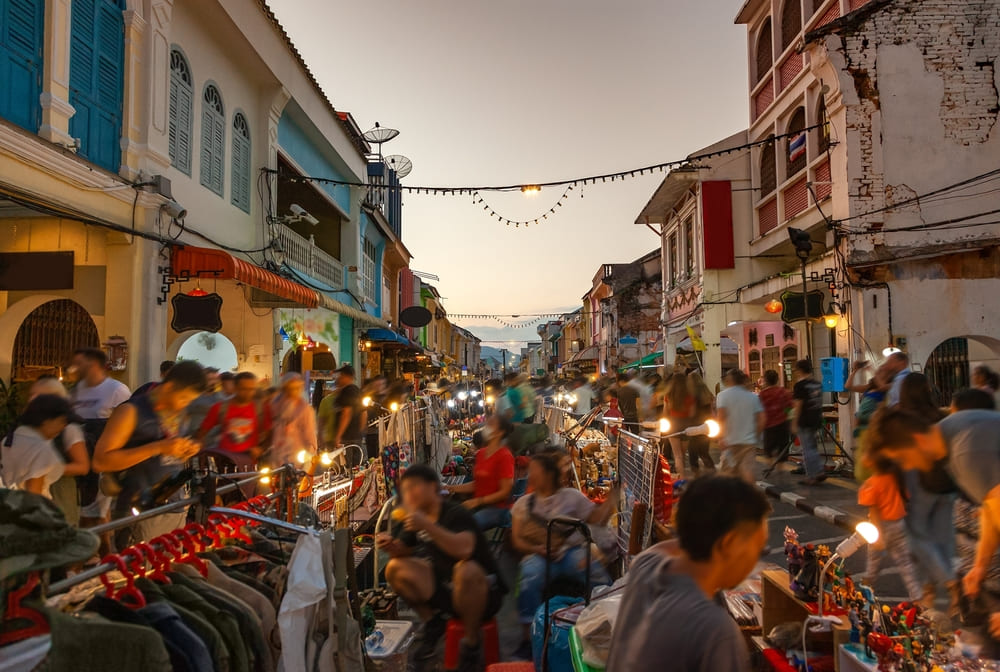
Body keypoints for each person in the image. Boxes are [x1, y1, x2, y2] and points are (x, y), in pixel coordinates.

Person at [606, 476, 770, 672]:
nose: (755, 562)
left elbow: (671, 545)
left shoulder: (646, 566)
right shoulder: (715, 631)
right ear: (728, 544)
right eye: (758, 549)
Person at [865, 403, 1000, 626]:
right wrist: (980, 567)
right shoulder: (953, 433)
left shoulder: (965, 451)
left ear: (917, 440)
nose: (907, 466)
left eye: (902, 458)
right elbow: (989, 508)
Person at [378, 464, 506, 672]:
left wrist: (427, 526)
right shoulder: (416, 517)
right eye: (405, 489)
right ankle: (433, 622)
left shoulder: (455, 513)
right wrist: (391, 546)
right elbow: (404, 550)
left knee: (467, 570)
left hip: (483, 594)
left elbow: (464, 550)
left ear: (432, 488)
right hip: (448, 590)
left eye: (414, 487)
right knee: (394, 568)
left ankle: (471, 644)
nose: (408, 495)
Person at [92, 361, 207, 546]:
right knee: (143, 570)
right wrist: (157, 447)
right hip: (139, 507)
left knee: (170, 567)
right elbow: (100, 461)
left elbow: (169, 451)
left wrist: (185, 450)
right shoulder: (130, 412)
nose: (185, 405)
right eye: (184, 398)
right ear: (169, 387)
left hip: (175, 504)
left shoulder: (180, 414)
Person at [511, 451, 613, 656]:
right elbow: (517, 540)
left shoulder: (572, 497)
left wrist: (615, 496)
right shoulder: (523, 504)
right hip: (538, 556)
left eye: (535, 471)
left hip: (572, 554)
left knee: (599, 578)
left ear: (548, 474)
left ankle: (606, 627)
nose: (530, 476)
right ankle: (528, 636)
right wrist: (536, 549)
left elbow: (598, 519)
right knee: (527, 581)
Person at [896, 373, 955, 607]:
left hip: (919, 486)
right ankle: (929, 591)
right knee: (939, 540)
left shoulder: (902, 419)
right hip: (945, 485)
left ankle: (945, 585)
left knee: (916, 540)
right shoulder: (940, 417)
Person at [26, 377, 91, 524]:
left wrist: (49, 469)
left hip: (61, 490)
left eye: (38, 396)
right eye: (31, 395)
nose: (32, 400)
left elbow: (83, 466)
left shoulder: (69, 428)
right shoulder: (32, 426)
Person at [858, 460, 923, 600]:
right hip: (899, 524)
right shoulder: (897, 478)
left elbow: (874, 511)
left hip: (881, 525)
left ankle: (865, 593)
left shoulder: (873, 482)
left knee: (873, 562)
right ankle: (917, 597)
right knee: (905, 563)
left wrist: (878, 535)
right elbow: (905, 501)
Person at [446, 415, 515, 530]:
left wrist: (477, 501)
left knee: (465, 526)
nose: (486, 427)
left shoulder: (505, 456)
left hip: (498, 509)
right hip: (480, 505)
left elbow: (505, 492)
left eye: (491, 425)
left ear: (500, 432)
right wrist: (451, 488)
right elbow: (478, 484)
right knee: (449, 517)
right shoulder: (481, 453)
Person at [196, 371, 271, 470]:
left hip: (249, 464)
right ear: (235, 388)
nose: (248, 393)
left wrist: (260, 448)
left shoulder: (261, 408)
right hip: (225, 462)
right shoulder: (220, 408)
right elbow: (201, 432)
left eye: (251, 389)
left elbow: (270, 434)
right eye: (243, 389)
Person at [0, 394, 72, 498]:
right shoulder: (40, 449)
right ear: (46, 421)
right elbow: (34, 493)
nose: (64, 426)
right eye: (62, 421)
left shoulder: (8, 440)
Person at [716, 370, 765, 483]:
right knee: (747, 470)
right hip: (748, 441)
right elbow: (762, 418)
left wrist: (721, 437)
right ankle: (749, 496)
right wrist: (756, 435)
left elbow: (721, 418)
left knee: (727, 472)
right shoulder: (752, 397)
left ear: (730, 380)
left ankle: (730, 498)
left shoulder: (723, 396)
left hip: (730, 441)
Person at [268, 372, 317, 467]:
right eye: (290, 389)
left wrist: (310, 451)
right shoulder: (275, 405)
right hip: (278, 452)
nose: (293, 391)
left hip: (298, 453)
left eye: (297, 388)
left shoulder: (304, 408)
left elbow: (310, 433)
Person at [70, 347, 131, 420]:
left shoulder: (118, 390)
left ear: (93, 363)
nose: (75, 368)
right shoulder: (77, 389)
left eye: (79, 364)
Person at [791, 360, 826, 485]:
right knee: (813, 447)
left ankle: (813, 474)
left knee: (807, 449)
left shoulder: (800, 386)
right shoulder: (817, 384)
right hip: (815, 418)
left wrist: (794, 421)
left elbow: (798, 404)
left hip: (804, 420)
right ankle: (817, 471)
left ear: (800, 370)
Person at [328, 365, 366, 466]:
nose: (338, 378)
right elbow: (364, 413)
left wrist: (338, 436)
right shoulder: (358, 391)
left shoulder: (347, 392)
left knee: (345, 467)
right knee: (355, 467)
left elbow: (346, 413)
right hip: (355, 437)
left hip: (346, 438)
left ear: (346, 376)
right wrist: (359, 431)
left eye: (340, 375)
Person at [663, 373, 695, 480]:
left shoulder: (669, 395)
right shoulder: (690, 395)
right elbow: (692, 413)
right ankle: (682, 476)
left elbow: (665, 412)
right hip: (686, 425)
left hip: (673, 425)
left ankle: (681, 479)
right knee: (682, 454)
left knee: (677, 456)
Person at [758, 369, 792, 458]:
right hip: (783, 425)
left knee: (768, 452)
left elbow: (760, 411)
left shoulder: (762, 394)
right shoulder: (784, 392)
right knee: (783, 450)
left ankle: (771, 468)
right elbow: (789, 408)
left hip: (769, 426)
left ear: (765, 380)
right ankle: (780, 468)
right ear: (777, 379)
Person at [687, 372, 716, 475]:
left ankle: (696, 474)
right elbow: (712, 407)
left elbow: (692, 411)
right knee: (704, 451)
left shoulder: (694, 393)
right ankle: (712, 471)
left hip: (695, 424)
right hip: (707, 424)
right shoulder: (706, 391)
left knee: (692, 451)